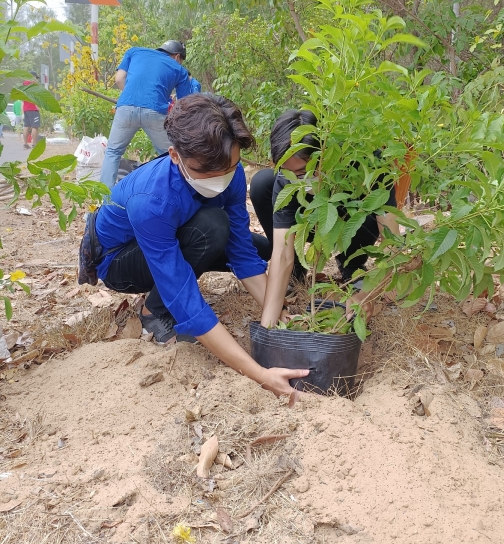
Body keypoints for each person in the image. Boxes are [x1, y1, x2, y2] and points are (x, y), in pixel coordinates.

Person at [80, 94, 308, 399]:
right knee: (213, 227)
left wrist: (273, 312)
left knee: (259, 247)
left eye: (229, 168)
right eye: (207, 171)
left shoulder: (230, 168)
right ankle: (152, 311)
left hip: (178, 230)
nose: (221, 179)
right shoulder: (151, 201)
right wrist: (261, 374)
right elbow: (184, 296)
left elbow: (241, 251)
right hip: (120, 258)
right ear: (175, 156)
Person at [250, 109, 402, 328]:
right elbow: (282, 254)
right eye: (288, 172)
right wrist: (269, 323)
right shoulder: (288, 179)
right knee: (263, 182)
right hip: (312, 222)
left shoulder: (368, 163)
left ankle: (352, 265)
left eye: (303, 172)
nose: (296, 180)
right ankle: (296, 276)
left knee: (365, 215)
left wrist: (367, 295)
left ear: (324, 153)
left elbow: (392, 246)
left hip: (353, 224)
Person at [99, 40, 201, 189]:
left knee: (113, 152)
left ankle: (103, 200)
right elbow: (183, 104)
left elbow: (119, 79)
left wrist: (133, 97)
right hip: (155, 111)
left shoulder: (134, 51)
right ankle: (178, 192)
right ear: (178, 56)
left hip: (126, 107)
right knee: (171, 155)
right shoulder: (179, 69)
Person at [22, 73, 41, 149]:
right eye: (36, 77)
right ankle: (34, 144)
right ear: (33, 76)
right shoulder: (33, 84)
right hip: (33, 108)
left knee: (26, 126)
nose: (36, 79)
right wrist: (37, 105)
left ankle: (25, 144)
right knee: (35, 126)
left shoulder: (23, 84)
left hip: (26, 108)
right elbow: (36, 95)